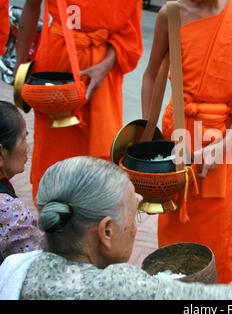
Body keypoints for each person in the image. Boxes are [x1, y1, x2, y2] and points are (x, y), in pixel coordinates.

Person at [0, 156, 232, 300]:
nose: (135, 226)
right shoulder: (118, 288)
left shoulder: (16, 267)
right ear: (106, 232)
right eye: (133, 216)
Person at [141, 0, 232, 284]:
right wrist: (149, 143)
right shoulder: (172, 14)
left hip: (225, 144)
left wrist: (225, 144)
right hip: (176, 142)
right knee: (174, 246)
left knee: (221, 247)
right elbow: (152, 75)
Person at [15, 0, 143, 201]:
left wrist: (104, 67)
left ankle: (91, 221)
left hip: (101, 80)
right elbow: (32, 7)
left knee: (98, 167)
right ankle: (53, 216)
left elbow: (129, 33)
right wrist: (20, 68)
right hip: (55, 71)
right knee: (53, 155)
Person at [0, 101, 43, 265]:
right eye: (23, 139)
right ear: (1, 153)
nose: (27, 148)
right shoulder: (9, 211)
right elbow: (38, 267)